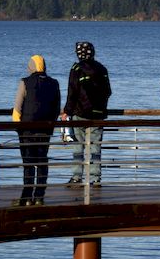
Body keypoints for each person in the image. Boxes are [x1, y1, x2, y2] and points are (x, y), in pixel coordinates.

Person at [11, 55, 60, 206]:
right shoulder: (54, 83)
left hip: (27, 129)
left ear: (31, 66)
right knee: (42, 161)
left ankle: (26, 197)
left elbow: (17, 109)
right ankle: (39, 196)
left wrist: (17, 127)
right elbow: (56, 108)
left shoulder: (25, 82)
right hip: (45, 129)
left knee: (28, 162)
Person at [61, 41, 111, 187]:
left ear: (78, 54)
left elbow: (72, 92)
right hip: (99, 114)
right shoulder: (102, 69)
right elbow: (108, 91)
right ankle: (96, 178)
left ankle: (77, 177)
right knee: (96, 148)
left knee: (78, 147)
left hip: (80, 114)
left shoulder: (76, 68)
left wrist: (67, 111)